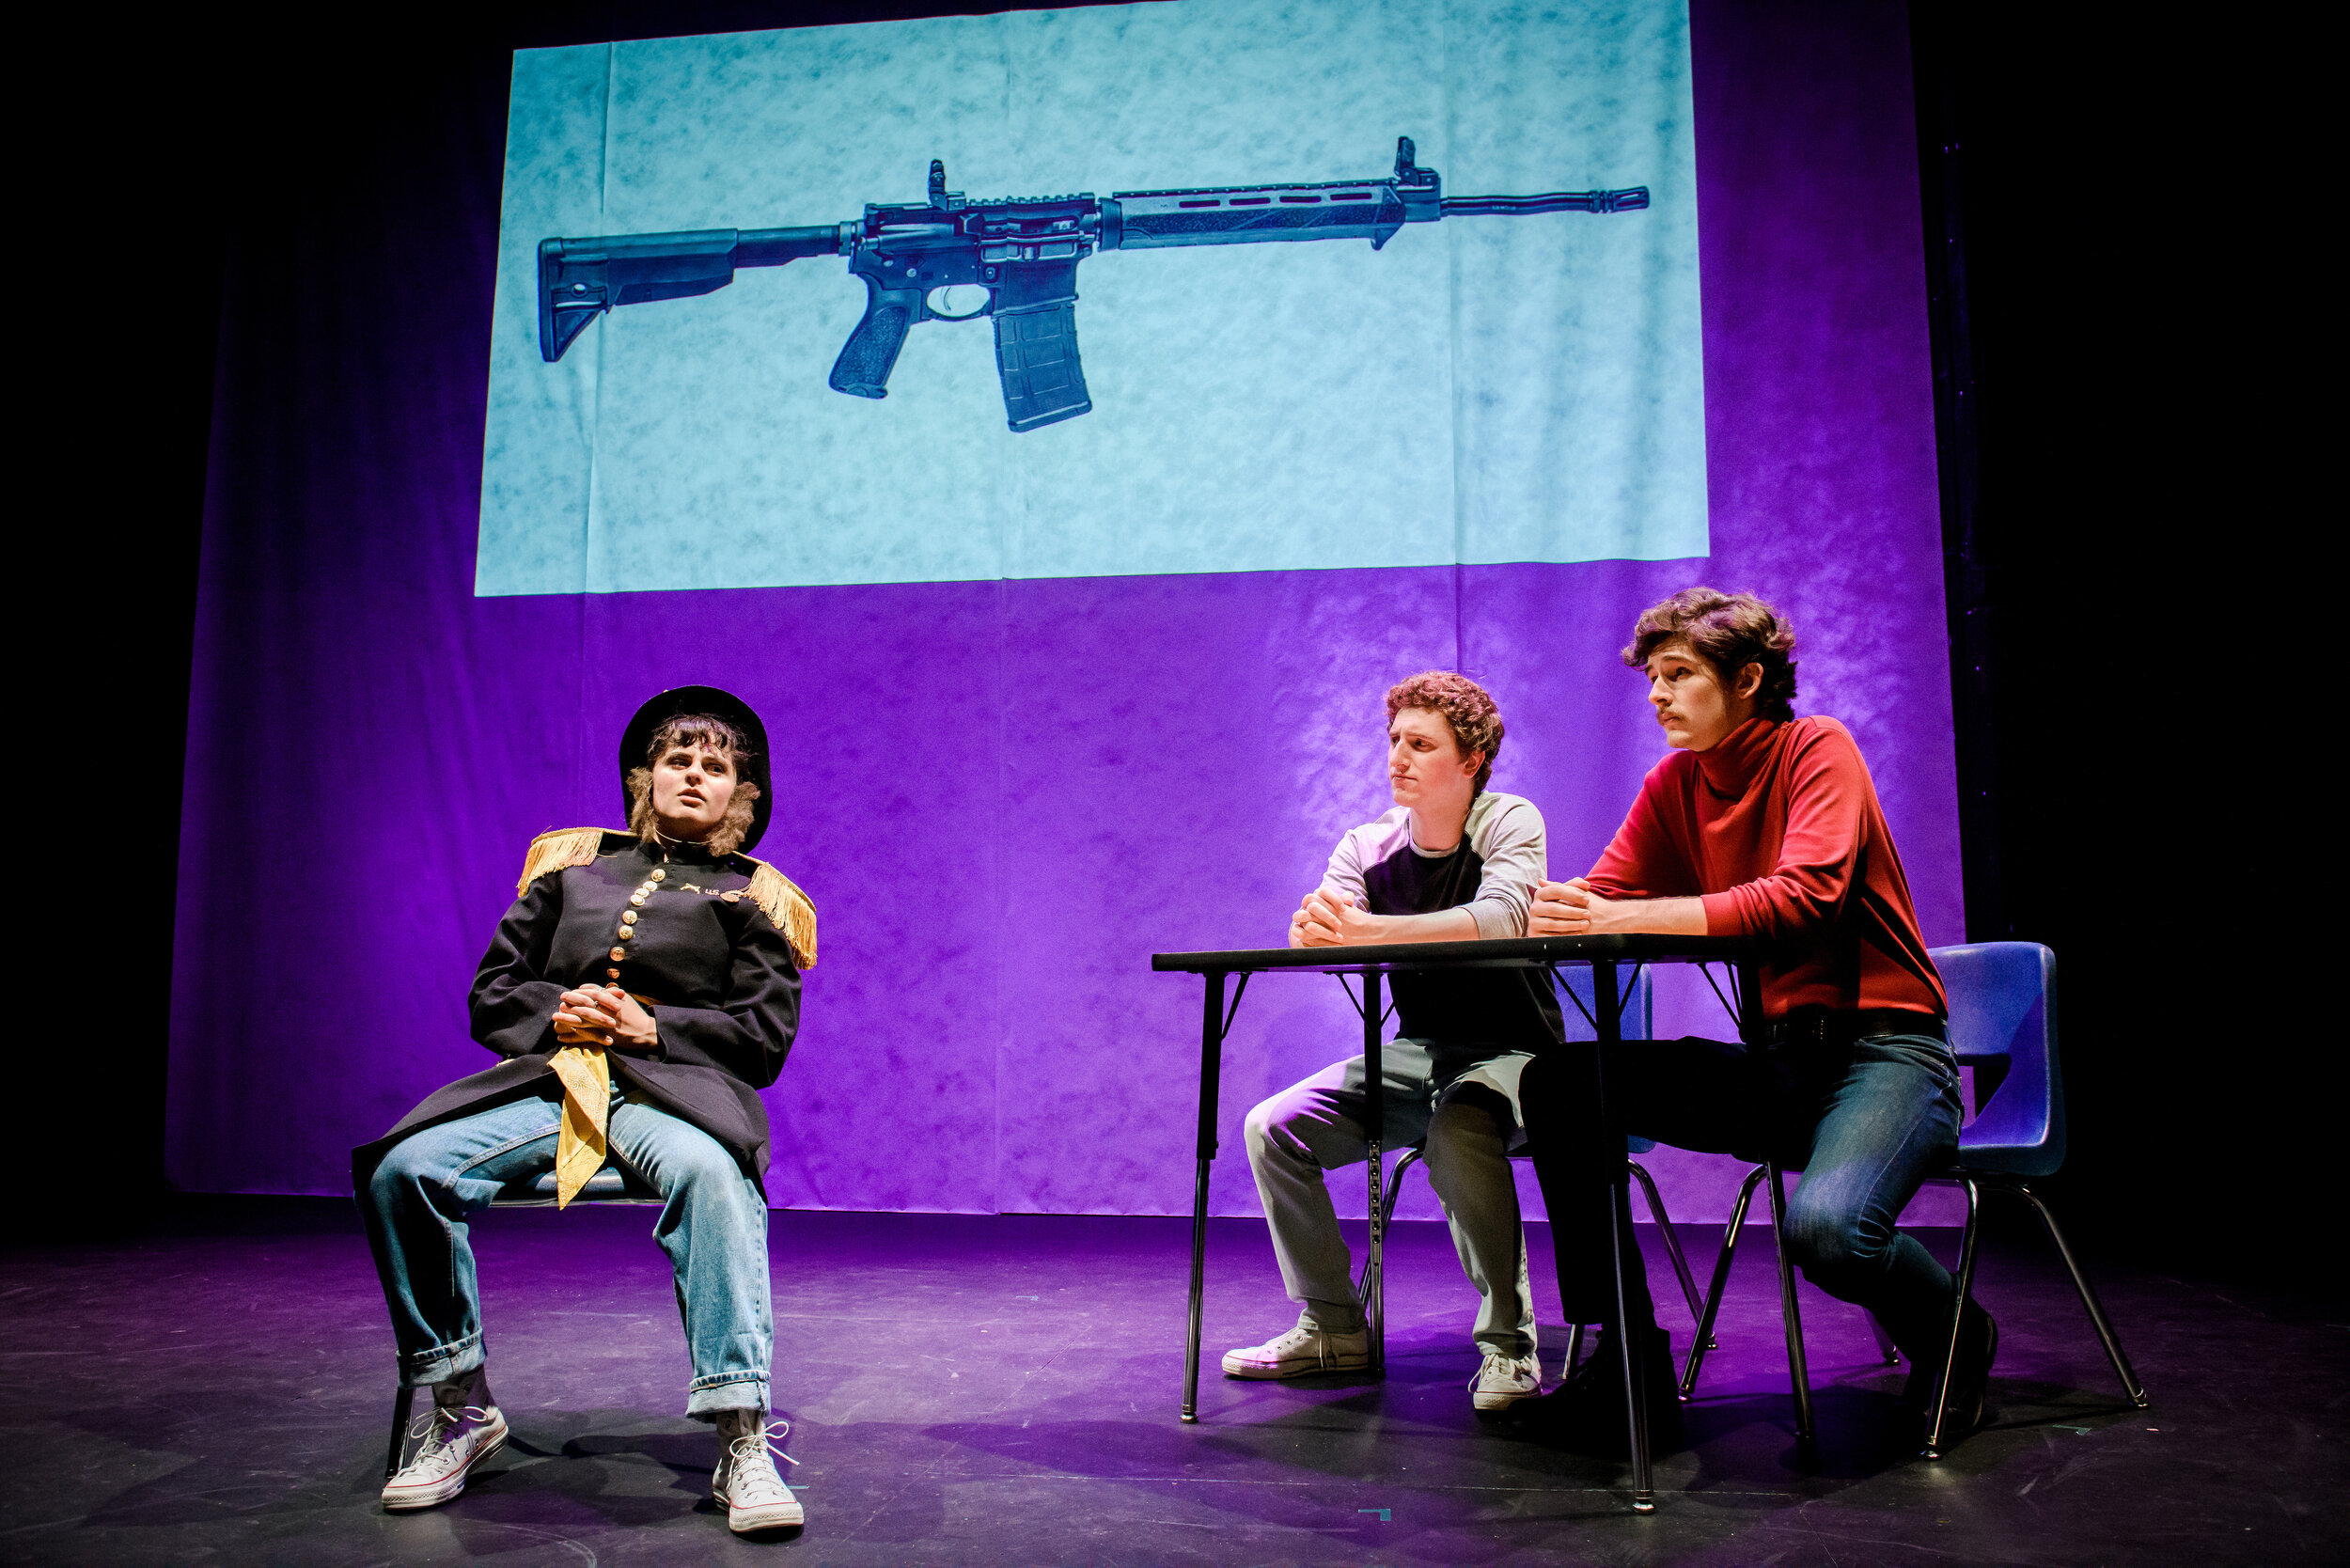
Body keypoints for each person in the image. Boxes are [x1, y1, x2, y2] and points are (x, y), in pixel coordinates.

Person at [1519, 588, 1990, 1448]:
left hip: (1887, 1055)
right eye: (1652, 678)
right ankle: (1628, 1361)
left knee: (1830, 1234)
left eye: (1678, 675)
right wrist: (1550, 905)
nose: (1657, 695)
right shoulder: (1677, 782)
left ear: (1748, 678)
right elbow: (1609, 894)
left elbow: (1802, 900)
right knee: (1562, 1082)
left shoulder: (1817, 748)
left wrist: (1616, 914)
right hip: (1778, 1067)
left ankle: (1958, 1336)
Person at [353, 686, 821, 1533]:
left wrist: (656, 1025)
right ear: (643, 779)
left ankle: (742, 1429)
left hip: (671, 1096)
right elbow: (491, 996)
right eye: (677, 760)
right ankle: (461, 1402)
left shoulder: (758, 899)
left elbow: (763, 1042)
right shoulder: (571, 869)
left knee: (715, 1180)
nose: (694, 775)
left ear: (740, 803)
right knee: (404, 1169)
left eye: (715, 767)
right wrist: (553, 1011)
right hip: (547, 1084)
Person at [1222, 672, 1561, 1412]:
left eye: (1422, 744)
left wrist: (1371, 929)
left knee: (1458, 1128)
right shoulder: (1368, 843)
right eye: (1395, 741)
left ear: (1470, 761)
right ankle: (1335, 1325)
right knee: (1273, 1130)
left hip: (1517, 1057)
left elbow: (1505, 916)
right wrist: (1313, 927)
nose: (1398, 758)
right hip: (1420, 1053)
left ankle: (1510, 1346)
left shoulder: (1507, 820)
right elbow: (1321, 934)